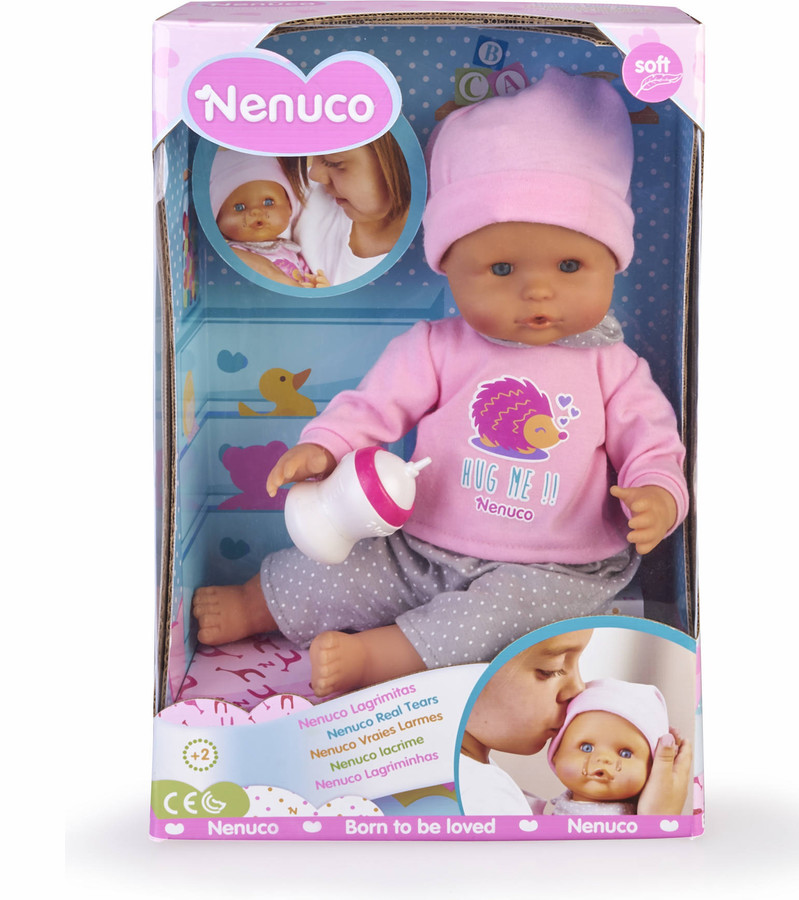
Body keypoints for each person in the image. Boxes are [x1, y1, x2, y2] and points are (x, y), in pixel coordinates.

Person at [193, 69, 689, 698]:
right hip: (419, 544)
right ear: (448, 265)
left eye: (570, 265)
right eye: (501, 268)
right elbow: (373, 406)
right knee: (342, 565)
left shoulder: (612, 366)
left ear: (612, 262)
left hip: (557, 568)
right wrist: (327, 446)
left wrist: (658, 496)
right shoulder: (437, 347)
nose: (538, 290)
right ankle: (255, 603)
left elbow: (653, 445)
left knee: (505, 622)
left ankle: (381, 658)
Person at [457, 632, 691, 816]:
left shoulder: (478, 782)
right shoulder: (479, 794)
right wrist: (658, 823)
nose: (578, 688)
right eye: (551, 669)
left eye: (626, 753)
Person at [281, 132, 411, 285]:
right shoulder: (305, 192)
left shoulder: (412, 271)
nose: (314, 174)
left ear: (399, 163)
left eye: (334, 163)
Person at [543, 678, 669, 815]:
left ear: (651, 768)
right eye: (586, 747)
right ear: (556, 753)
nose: (603, 759)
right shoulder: (535, 814)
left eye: (625, 753)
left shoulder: (646, 817)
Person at [210, 149, 329, 288]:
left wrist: (316, 284)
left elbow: (304, 279)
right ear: (217, 220)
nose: (256, 212)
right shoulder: (232, 254)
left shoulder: (291, 250)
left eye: (268, 202)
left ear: (289, 207)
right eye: (239, 207)